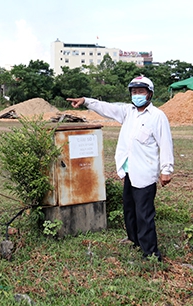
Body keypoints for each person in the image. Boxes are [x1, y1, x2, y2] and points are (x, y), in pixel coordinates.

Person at [67, 75, 174, 261]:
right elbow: (107, 107)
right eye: (134, 92)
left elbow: (165, 143)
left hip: (145, 173)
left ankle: (151, 253)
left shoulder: (157, 116)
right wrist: (86, 101)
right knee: (129, 209)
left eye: (141, 92)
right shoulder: (128, 112)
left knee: (144, 214)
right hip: (129, 171)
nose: (137, 95)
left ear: (149, 94)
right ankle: (135, 240)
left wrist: (166, 170)